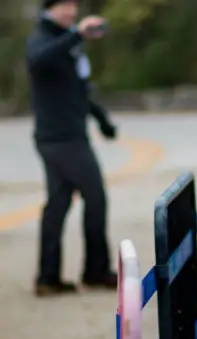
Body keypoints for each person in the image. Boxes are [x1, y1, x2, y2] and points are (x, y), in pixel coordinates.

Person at [27, 0, 118, 297]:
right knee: (95, 196)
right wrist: (77, 34)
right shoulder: (43, 37)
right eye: (63, 7)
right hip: (61, 138)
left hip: (65, 135)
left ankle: (47, 277)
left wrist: (102, 120)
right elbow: (37, 61)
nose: (70, 12)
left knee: (58, 203)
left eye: (73, 7)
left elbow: (78, 91)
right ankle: (95, 270)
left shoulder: (67, 43)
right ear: (48, 9)